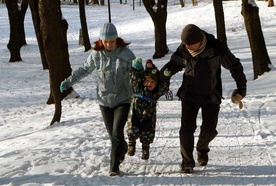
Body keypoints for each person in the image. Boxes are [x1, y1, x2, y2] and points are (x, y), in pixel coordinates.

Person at [159, 24, 247, 173]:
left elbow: (235, 66)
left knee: (209, 130)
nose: (187, 47)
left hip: (211, 96)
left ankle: (202, 149)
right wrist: (163, 75)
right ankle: (187, 162)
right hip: (189, 94)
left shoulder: (217, 48)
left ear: (200, 41)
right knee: (186, 130)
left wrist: (241, 89)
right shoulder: (185, 49)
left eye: (190, 45)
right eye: (185, 45)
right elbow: (174, 64)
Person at [60, 22, 136, 176]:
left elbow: (137, 73)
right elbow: (84, 70)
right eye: (105, 41)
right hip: (104, 100)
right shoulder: (96, 54)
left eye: (112, 41)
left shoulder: (126, 54)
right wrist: (68, 81)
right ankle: (120, 151)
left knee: (116, 133)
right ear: (101, 40)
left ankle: (113, 167)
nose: (108, 44)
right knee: (113, 135)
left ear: (116, 39)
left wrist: (142, 75)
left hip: (123, 99)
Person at [127, 58, 170, 160]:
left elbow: (163, 88)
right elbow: (134, 78)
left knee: (148, 132)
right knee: (132, 128)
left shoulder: (155, 93)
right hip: (136, 112)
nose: (149, 84)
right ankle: (131, 144)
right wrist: (136, 69)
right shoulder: (138, 88)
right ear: (143, 81)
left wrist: (165, 78)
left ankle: (145, 148)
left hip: (149, 115)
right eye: (147, 81)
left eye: (152, 82)